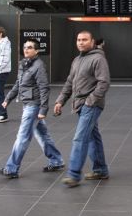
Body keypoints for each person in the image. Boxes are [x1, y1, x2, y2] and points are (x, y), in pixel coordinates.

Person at [0, 39, 64, 178]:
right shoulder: (24, 64)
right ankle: (56, 160)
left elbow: (44, 88)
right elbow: (18, 83)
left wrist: (43, 110)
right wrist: (8, 98)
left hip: (34, 106)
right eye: (25, 47)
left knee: (22, 137)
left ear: (37, 51)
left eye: (30, 47)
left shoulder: (39, 66)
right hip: (27, 104)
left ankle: (11, 168)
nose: (26, 49)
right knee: (42, 134)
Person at [54, 31, 111, 188]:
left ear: (92, 42)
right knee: (93, 137)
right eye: (78, 40)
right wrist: (60, 101)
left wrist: (90, 101)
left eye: (84, 40)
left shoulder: (98, 59)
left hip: (91, 105)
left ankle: (73, 175)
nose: (81, 42)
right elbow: (69, 82)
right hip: (79, 105)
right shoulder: (77, 60)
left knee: (80, 138)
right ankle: (100, 170)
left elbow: (104, 83)